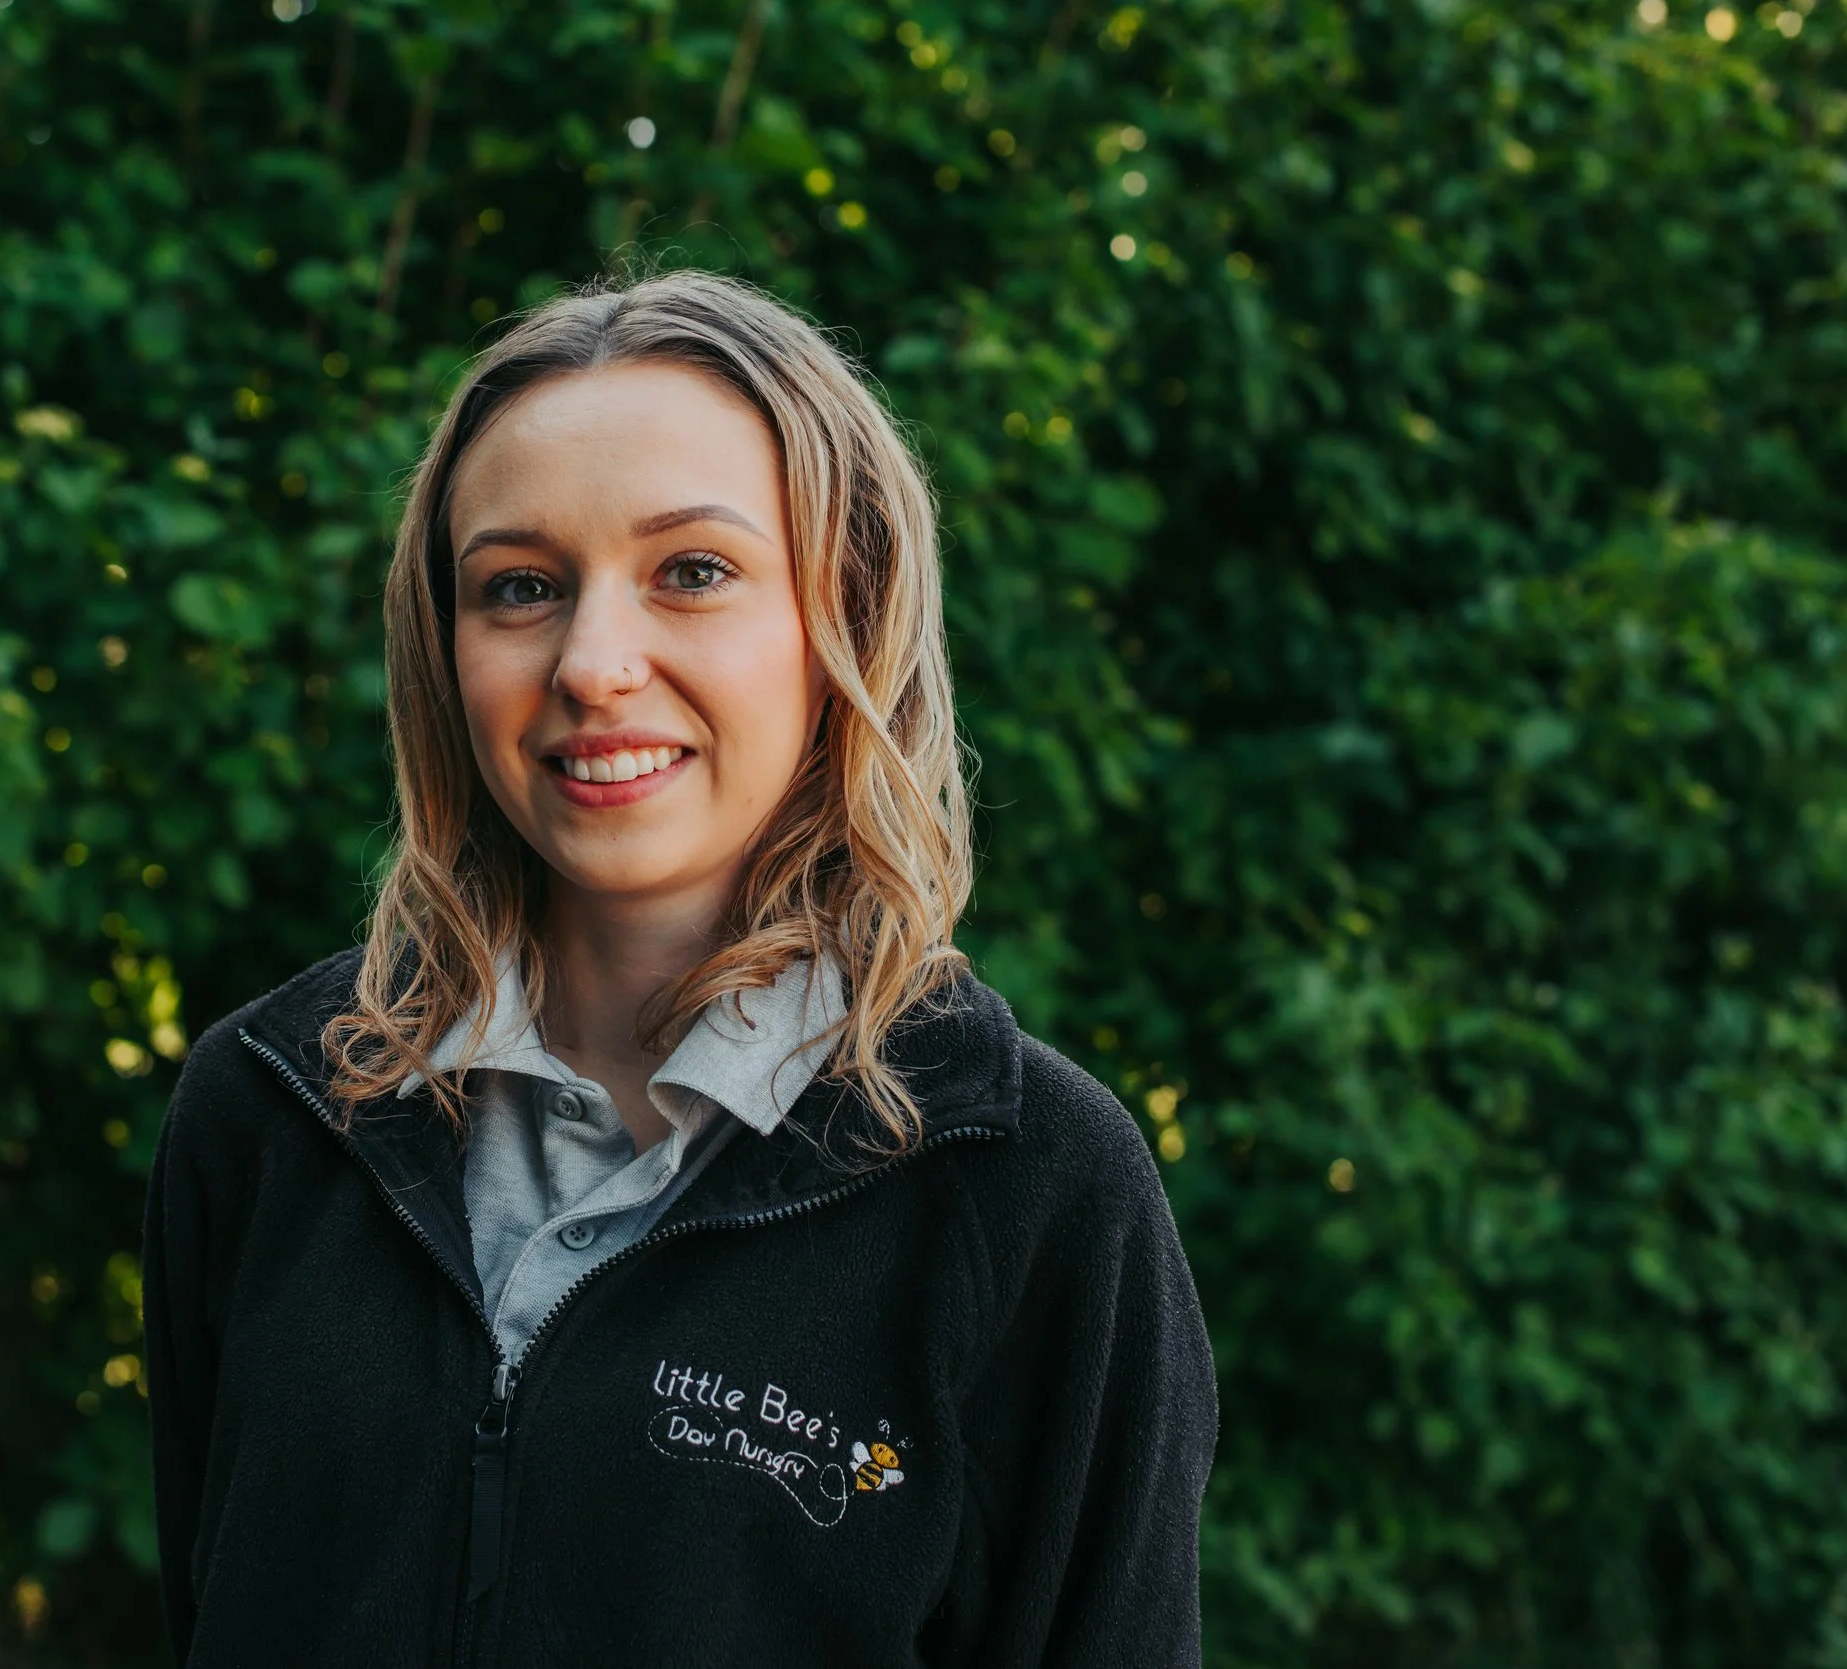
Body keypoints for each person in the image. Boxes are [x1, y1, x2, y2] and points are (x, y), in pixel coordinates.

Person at [141, 268, 1216, 1668]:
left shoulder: (1030, 1190)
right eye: (519, 588)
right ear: (443, 648)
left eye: (693, 572)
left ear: (845, 615)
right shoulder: (271, 1115)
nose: (593, 662)